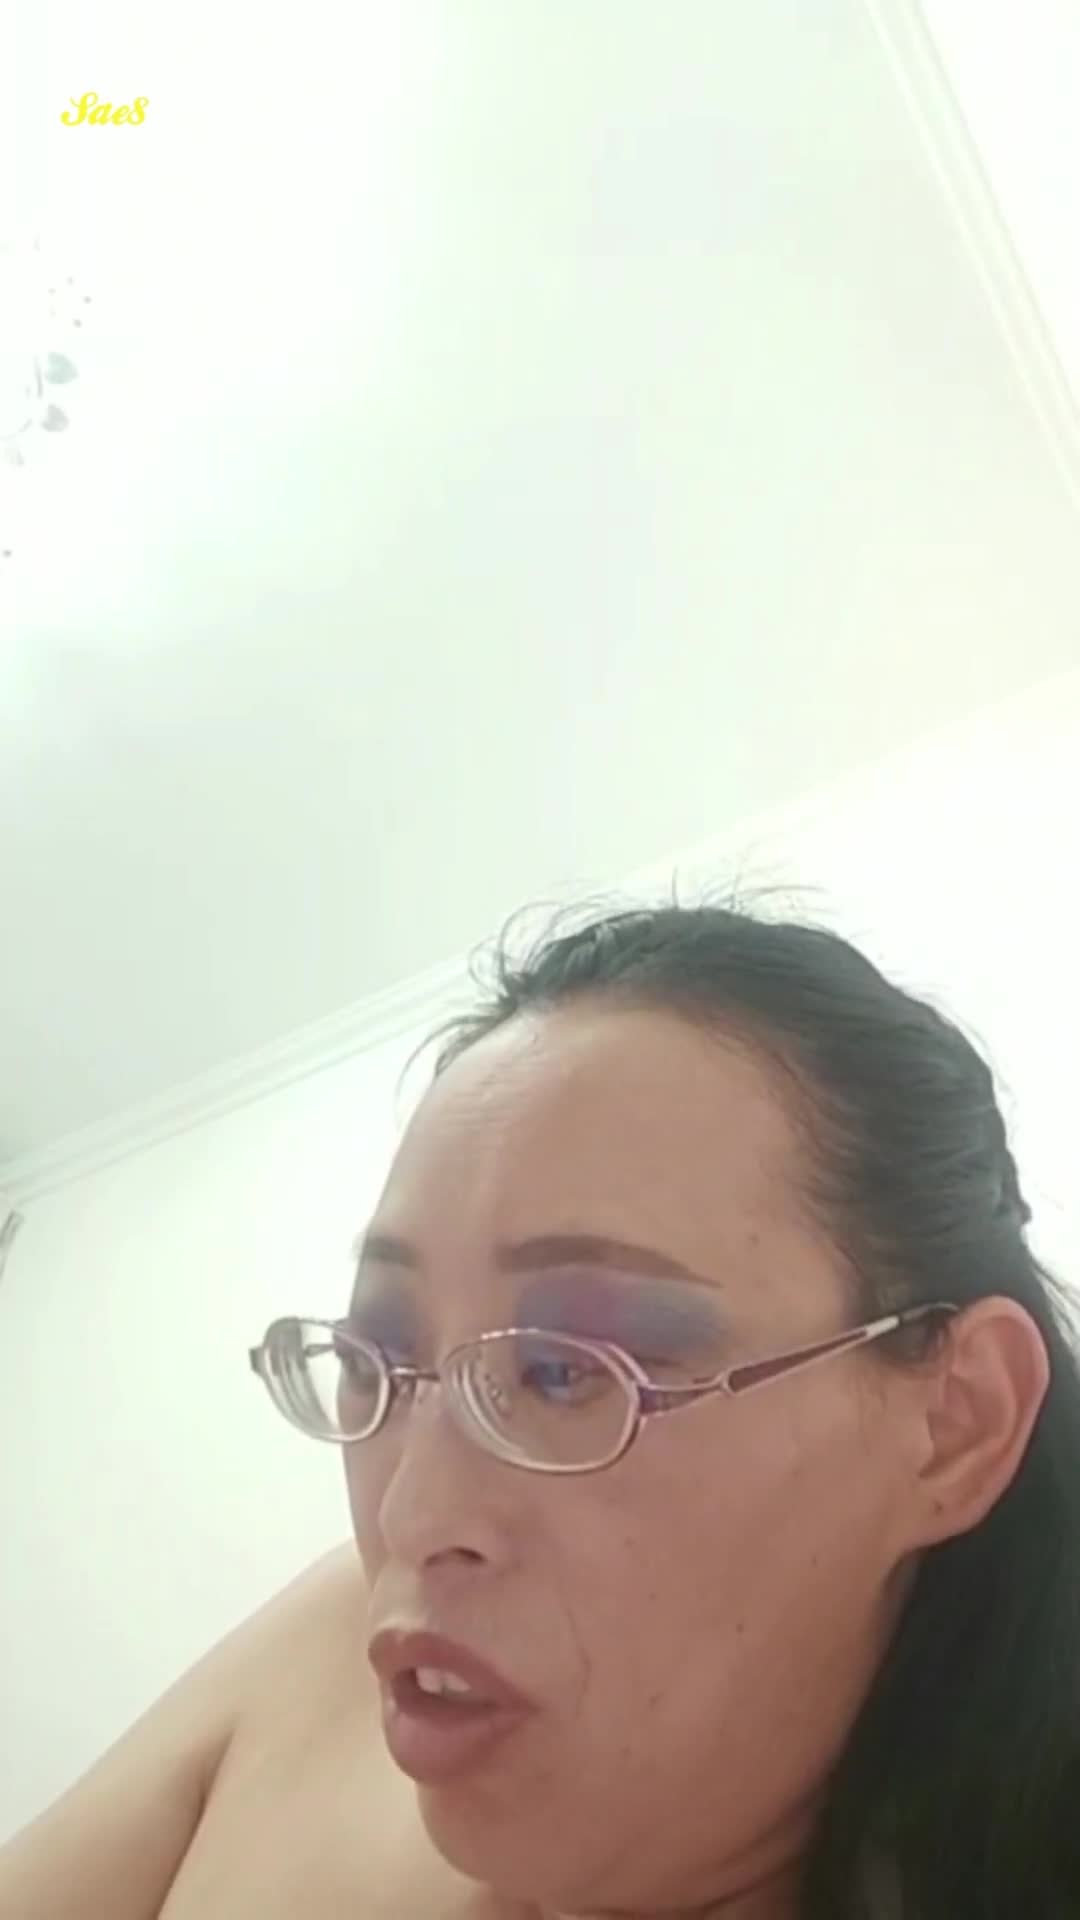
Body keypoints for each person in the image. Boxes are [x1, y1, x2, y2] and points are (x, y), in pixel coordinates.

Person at [3, 896, 1079, 1920]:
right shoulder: (327, 1652)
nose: (409, 1519)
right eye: (379, 1359)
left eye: (566, 1372)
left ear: (954, 1424)